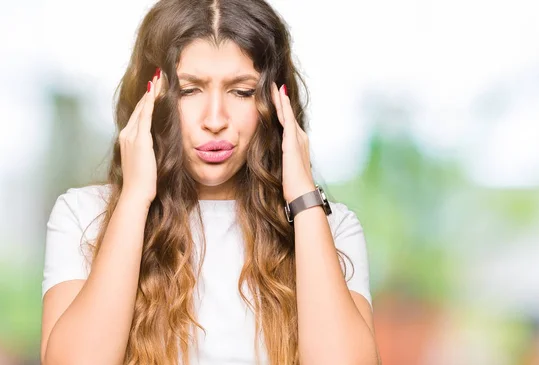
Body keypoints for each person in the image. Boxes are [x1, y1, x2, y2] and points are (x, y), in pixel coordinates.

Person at [40, 0, 379, 364]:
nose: (215, 119)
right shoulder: (83, 215)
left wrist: (302, 196)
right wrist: (135, 199)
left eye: (242, 91)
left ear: (274, 101)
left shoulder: (329, 227)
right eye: (189, 90)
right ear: (151, 98)